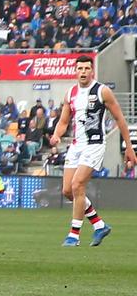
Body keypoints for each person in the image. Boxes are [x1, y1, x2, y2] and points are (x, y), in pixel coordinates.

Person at [49, 55, 136, 246]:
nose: (83, 72)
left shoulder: (102, 91)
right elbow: (63, 122)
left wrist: (129, 147)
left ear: (92, 71)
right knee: (67, 191)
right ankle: (99, 225)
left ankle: (74, 235)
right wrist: (56, 135)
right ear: (75, 70)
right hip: (76, 144)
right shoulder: (70, 93)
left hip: (95, 143)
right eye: (79, 68)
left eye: (86, 68)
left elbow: (120, 118)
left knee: (78, 185)